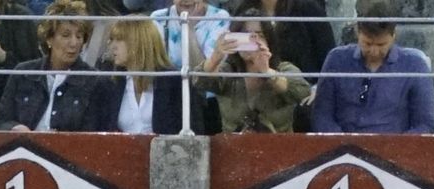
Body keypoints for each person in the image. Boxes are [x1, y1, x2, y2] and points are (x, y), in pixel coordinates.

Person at [310, 0, 434, 133]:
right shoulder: (336, 60)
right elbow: (322, 116)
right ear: (357, 32)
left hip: (393, 147)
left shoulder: (414, 66)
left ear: (393, 35)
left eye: (381, 45)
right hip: (343, 146)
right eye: (367, 43)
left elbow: (425, 124)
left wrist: (397, 146)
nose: (374, 51)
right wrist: (342, 141)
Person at [0, 0, 119, 131]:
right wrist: (15, 128)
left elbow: (93, 133)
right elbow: (2, 121)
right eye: (66, 35)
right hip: (24, 148)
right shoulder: (23, 73)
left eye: (79, 36)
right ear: (49, 39)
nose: (74, 43)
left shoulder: (95, 81)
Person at [195, 2, 307, 132]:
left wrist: (267, 72)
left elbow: (301, 92)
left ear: (269, 40)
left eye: (259, 35)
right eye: (246, 35)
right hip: (234, 146)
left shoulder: (285, 69)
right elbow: (199, 81)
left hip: (279, 146)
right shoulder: (228, 71)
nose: (252, 41)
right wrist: (216, 57)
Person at [108, 17, 202, 134]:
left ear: (140, 42)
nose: (113, 46)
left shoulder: (175, 83)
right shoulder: (113, 83)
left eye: (119, 39)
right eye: (112, 40)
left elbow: (195, 131)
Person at [148, 0, 228, 71]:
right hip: (168, 84)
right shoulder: (158, 18)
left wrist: (189, 27)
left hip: (203, 85)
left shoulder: (219, 17)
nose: (186, 1)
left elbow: (204, 72)